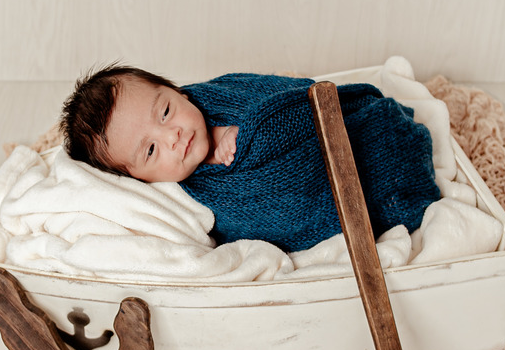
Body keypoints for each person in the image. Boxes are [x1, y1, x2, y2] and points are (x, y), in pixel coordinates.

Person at [60, 64, 440, 253]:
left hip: (357, 140)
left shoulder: (222, 97)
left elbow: (293, 98)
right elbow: (243, 223)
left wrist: (242, 132)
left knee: (377, 144)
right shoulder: (180, 197)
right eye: (151, 150)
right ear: (139, 179)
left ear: (179, 92)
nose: (172, 135)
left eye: (165, 112)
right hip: (312, 200)